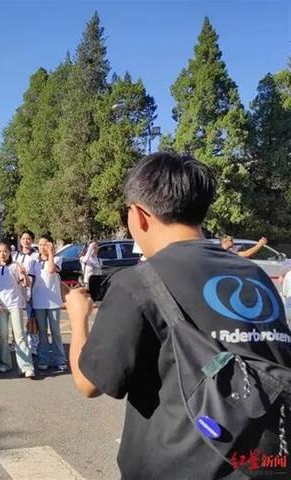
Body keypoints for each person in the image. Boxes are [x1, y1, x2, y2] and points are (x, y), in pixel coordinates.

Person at [66, 152, 291, 479]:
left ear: (140, 216)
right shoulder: (253, 275)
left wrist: (78, 317)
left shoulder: (138, 283)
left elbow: (89, 383)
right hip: (260, 465)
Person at [0, 242, 35, 378]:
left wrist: (25, 275)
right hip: (1, 306)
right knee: (3, 336)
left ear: (10, 252)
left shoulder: (15, 267)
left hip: (15, 304)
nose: (3, 254)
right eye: (0, 251)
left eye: (5, 251)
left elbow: (26, 284)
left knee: (19, 335)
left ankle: (26, 366)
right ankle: (5, 363)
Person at [30, 233, 66, 371]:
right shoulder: (35, 262)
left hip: (54, 303)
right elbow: (31, 282)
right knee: (42, 333)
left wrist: (50, 253)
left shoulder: (57, 258)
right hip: (39, 302)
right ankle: (43, 359)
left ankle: (60, 359)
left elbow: (51, 269)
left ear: (51, 244)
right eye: (40, 244)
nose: (42, 247)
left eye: (45, 244)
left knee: (56, 332)